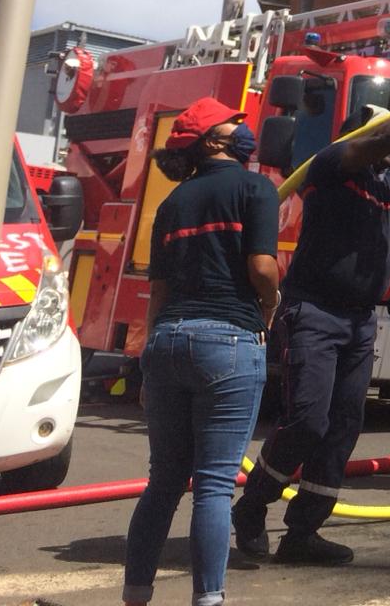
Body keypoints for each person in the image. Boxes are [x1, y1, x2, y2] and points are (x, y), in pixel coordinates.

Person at [234, 83, 390, 564]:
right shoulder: (330, 168)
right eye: (381, 132)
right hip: (315, 311)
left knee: (343, 427)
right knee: (308, 420)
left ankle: (303, 533)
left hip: (359, 320)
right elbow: (377, 142)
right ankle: (252, 506)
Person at [123, 97, 281, 606]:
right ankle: (207, 600)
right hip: (228, 342)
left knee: (164, 482)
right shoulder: (256, 188)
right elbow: (261, 268)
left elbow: (160, 291)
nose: (245, 127)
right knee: (213, 487)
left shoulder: (173, 203)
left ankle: (135, 594)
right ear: (214, 140)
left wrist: (148, 363)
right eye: (235, 122)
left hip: (167, 342)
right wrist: (272, 300)